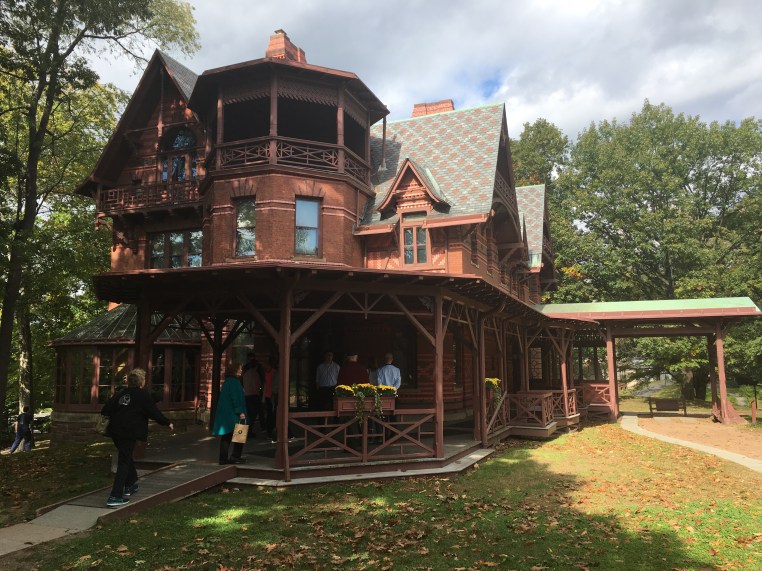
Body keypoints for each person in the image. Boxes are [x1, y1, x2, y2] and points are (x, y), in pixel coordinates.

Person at [101, 368, 174, 507]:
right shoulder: (143, 395)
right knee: (124, 461)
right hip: (129, 432)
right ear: (141, 381)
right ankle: (115, 496)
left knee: (126, 456)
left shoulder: (120, 393)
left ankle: (130, 485)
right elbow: (154, 412)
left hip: (115, 431)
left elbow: (105, 410)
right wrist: (167, 422)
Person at [213, 362, 247, 465]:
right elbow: (236, 398)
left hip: (227, 413)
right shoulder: (234, 382)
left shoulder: (227, 382)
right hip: (233, 413)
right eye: (239, 368)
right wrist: (240, 411)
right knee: (240, 432)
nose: (241, 370)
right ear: (234, 370)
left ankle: (223, 459)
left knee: (226, 436)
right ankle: (235, 456)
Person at [242, 353, 263, 437]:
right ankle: (248, 433)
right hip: (254, 396)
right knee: (251, 416)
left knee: (244, 416)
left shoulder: (245, 374)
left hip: (246, 396)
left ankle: (240, 435)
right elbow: (259, 385)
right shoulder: (256, 374)